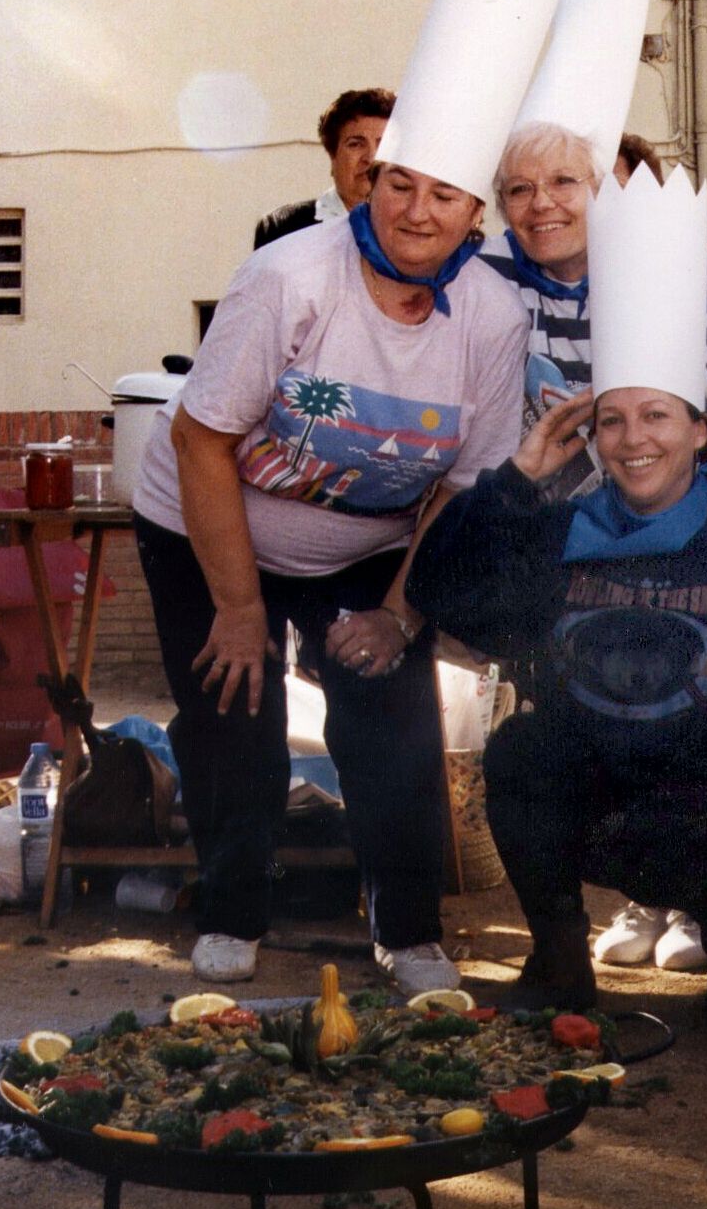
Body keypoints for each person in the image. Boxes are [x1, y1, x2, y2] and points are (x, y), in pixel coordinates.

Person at [407, 166, 707, 1013]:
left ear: (700, 428)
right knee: (518, 749)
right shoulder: (561, 531)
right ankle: (558, 959)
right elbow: (445, 595)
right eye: (612, 420)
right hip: (592, 794)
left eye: (657, 416)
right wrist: (516, 478)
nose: (632, 442)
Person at [132, 157, 527, 990]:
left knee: (390, 723)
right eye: (399, 186)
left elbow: (460, 489)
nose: (417, 213)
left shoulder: (493, 316)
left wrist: (396, 615)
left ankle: (409, 933)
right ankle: (232, 914)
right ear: (370, 187)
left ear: (474, 213)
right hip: (207, 521)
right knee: (233, 706)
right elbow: (201, 441)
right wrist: (238, 608)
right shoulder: (288, 276)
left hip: (370, 544)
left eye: (444, 195)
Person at [254, 88, 395, 250]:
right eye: (356, 144)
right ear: (332, 157)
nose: (370, 158)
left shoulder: (417, 227)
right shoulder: (283, 228)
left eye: (383, 145)